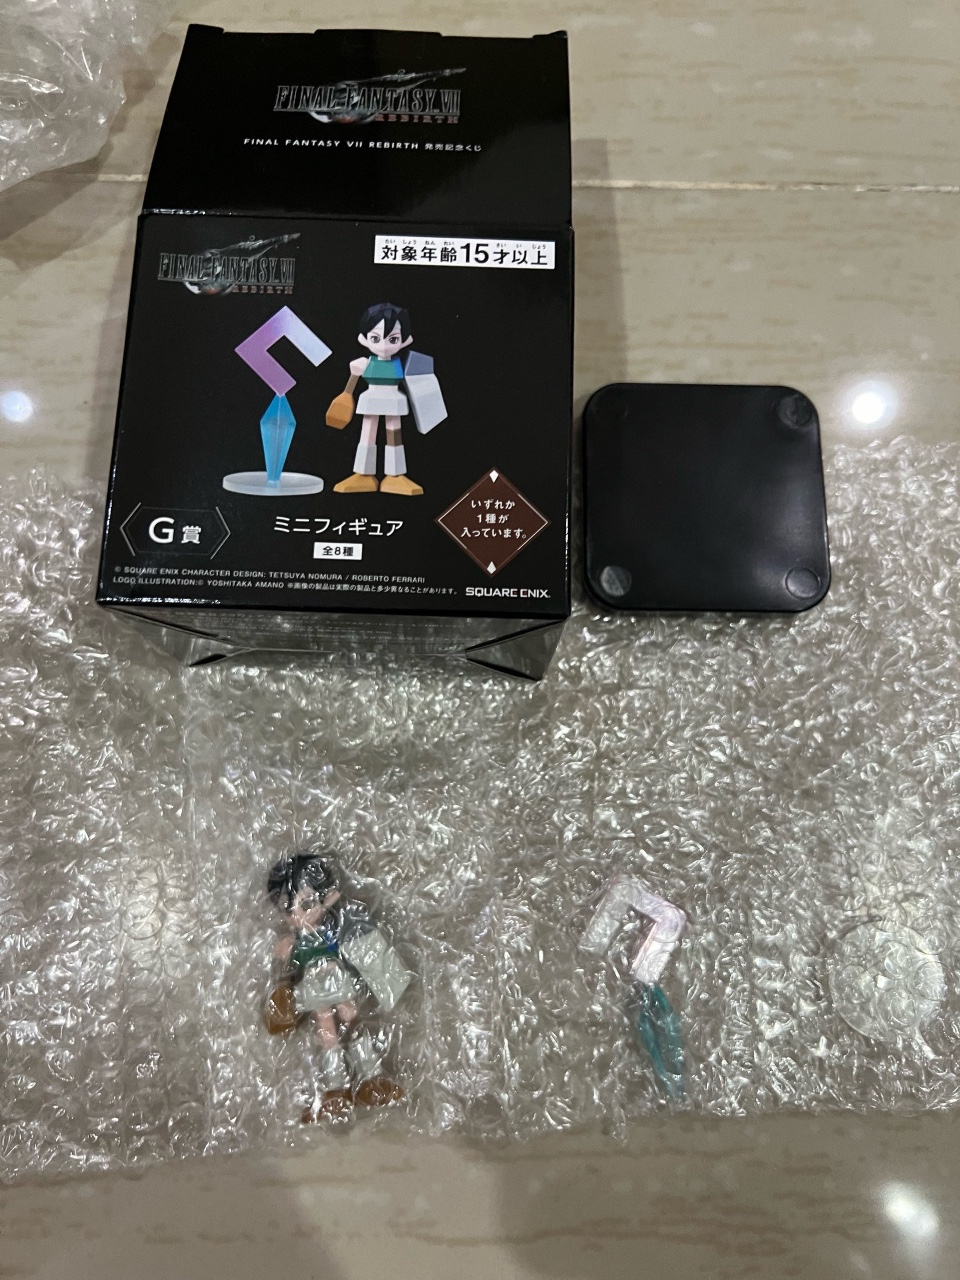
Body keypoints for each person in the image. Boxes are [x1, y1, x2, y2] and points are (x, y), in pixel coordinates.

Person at [265, 852, 410, 1122]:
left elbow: (353, 948)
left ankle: (372, 1077)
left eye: (306, 904)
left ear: (328, 898)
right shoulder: (295, 941)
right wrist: (283, 964)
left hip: (337, 982)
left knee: (351, 1018)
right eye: (287, 908)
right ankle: (336, 1089)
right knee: (326, 1033)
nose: (296, 914)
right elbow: (287, 972)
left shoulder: (333, 929)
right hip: (314, 988)